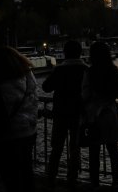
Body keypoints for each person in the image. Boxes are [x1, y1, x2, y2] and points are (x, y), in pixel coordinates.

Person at [0, 46, 39, 192]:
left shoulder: (0, 87)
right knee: (27, 171)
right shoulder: (29, 78)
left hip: (9, 135)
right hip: (29, 130)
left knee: (11, 176)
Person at [82, 41, 118, 189]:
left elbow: (84, 95)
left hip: (94, 115)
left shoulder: (89, 72)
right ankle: (115, 182)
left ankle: (95, 182)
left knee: (94, 151)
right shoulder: (113, 70)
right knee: (113, 150)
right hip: (110, 113)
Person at [43, 40, 89, 186]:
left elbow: (46, 87)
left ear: (65, 53)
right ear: (80, 52)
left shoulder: (59, 70)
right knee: (75, 148)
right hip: (78, 113)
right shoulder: (86, 70)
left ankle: (51, 178)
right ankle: (72, 178)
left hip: (60, 113)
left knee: (56, 148)